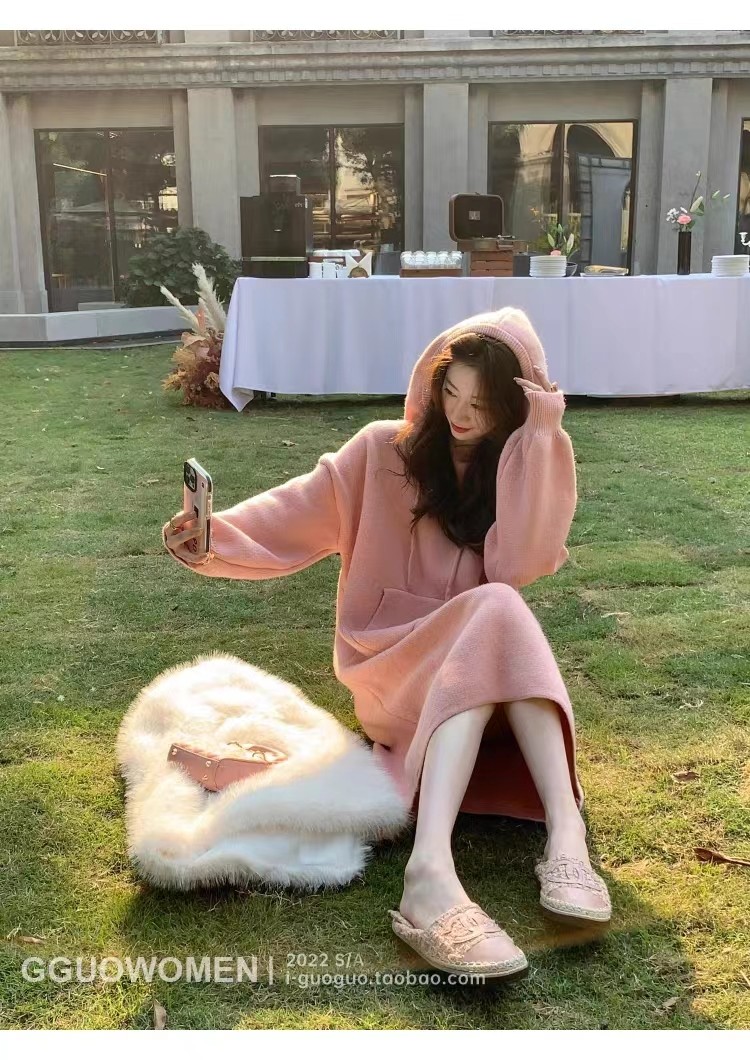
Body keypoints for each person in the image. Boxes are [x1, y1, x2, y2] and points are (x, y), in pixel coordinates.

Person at [163, 306, 611, 981]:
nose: (460, 414)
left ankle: (566, 839)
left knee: (499, 603)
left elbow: (520, 563)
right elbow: (294, 512)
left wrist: (540, 442)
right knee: (497, 608)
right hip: (390, 675)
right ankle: (432, 869)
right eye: (450, 392)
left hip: (478, 689)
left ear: (513, 408)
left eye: (482, 404)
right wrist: (209, 537)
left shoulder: (518, 464)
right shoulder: (380, 451)